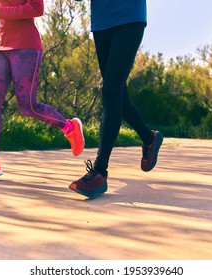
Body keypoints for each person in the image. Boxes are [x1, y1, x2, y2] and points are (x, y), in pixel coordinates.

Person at [0, 0, 85, 183]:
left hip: (26, 47)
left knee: (28, 107)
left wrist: (0, 14)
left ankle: (69, 127)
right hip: (1, 46)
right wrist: (2, 30)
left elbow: (36, 8)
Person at [69, 0, 163, 199]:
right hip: (102, 22)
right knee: (119, 96)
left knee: (110, 91)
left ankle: (99, 172)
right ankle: (149, 138)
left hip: (129, 17)